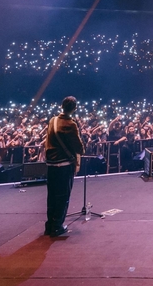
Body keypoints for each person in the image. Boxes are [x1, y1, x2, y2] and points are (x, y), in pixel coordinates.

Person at [44, 96, 85, 237]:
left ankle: (49, 225)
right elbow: (78, 147)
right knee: (62, 196)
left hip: (51, 164)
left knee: (52, 195)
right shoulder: (70, 124)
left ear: (62, 106)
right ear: (74, 108)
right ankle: (57, 226)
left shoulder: (52, 120)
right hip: (64, 165)